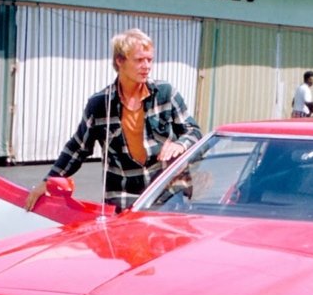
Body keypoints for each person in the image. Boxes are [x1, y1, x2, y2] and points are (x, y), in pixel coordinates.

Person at [25, 28, 200, 213]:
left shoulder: (166, 93)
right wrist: (47, 182)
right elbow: (77, 148)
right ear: (120, 60)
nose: (147, 66)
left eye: (150, 60)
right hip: (123, 197)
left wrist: (180, 145)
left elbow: (193, 131)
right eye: (139, 60)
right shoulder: (100, 104)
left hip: (167, 192)